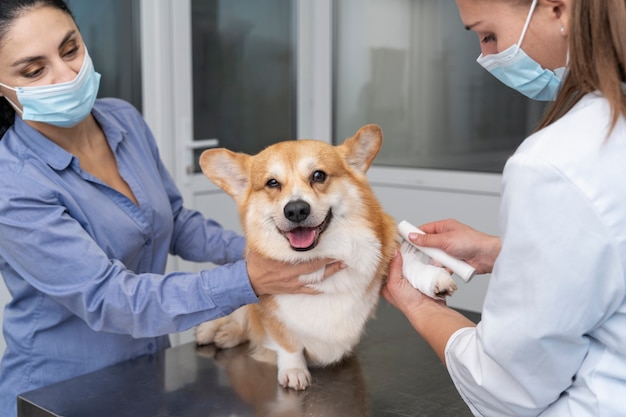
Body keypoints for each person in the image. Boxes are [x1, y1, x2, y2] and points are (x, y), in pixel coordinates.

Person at [0, 1, 342, 416]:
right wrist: (249, 279)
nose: (68, 75)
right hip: (56, 394)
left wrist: (268, 253)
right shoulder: (13, 183)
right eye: (34, 71)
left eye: (70, 49)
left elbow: (175, 221)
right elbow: (110, 298)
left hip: (147, 370)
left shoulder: (122, 121)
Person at [383, 0, 626, 415]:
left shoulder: (557, 162)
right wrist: (500, 251)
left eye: (489, 35)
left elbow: (505, 386)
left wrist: (417, 304)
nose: (488, 58)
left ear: (558, 10)